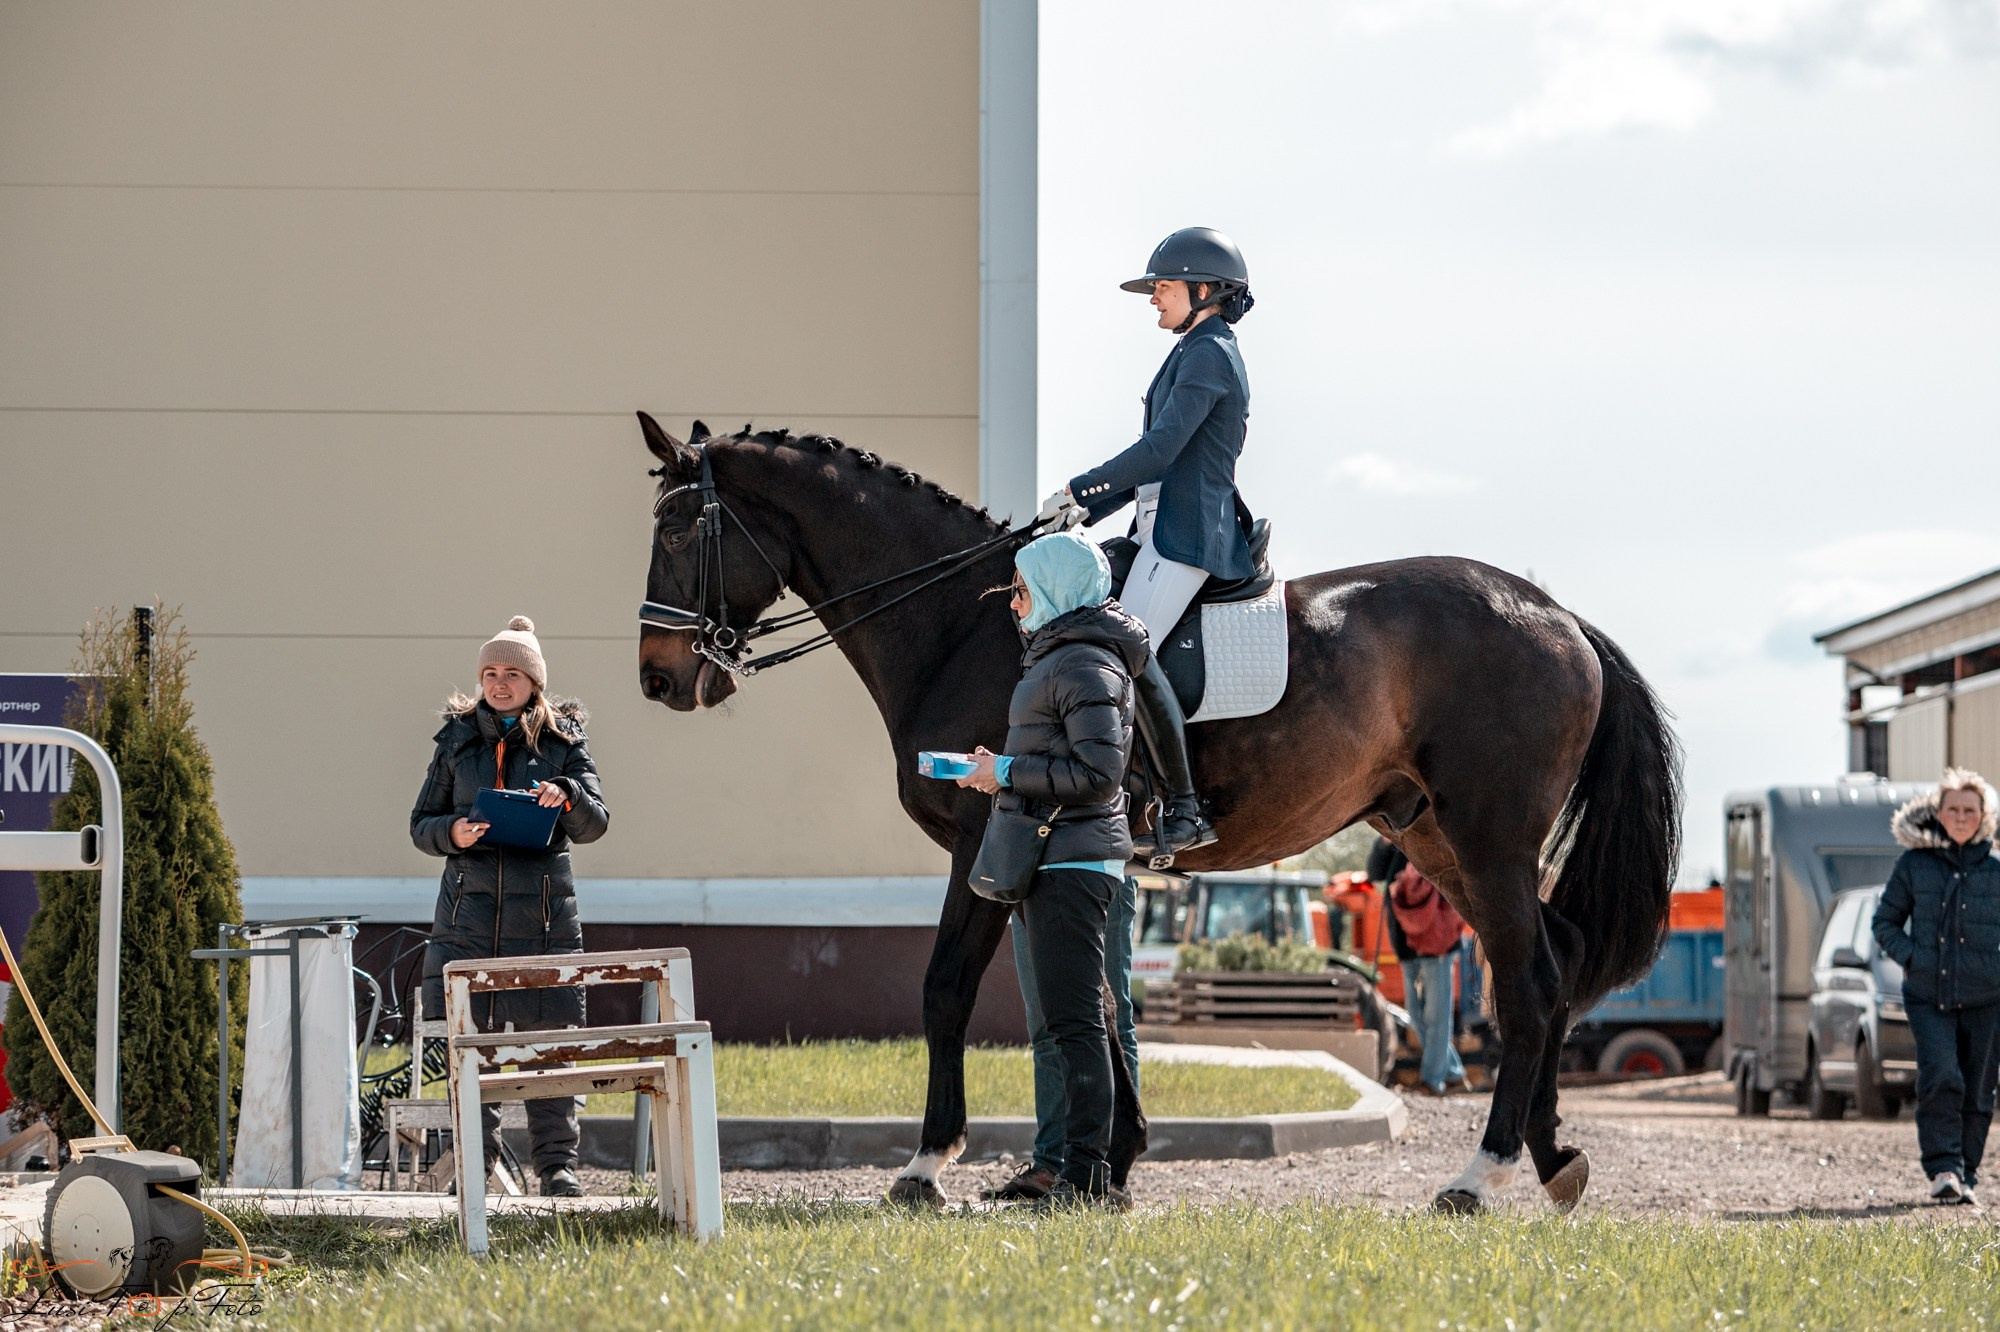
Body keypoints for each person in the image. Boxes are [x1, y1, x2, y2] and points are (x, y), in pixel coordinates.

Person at [1040, 227, 1256, 863]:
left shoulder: (1211, 353)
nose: (1153, 298)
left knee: (1128, 650)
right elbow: (1158, 468)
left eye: (1162, 287)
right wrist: (1083, 510)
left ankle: (1185, 808)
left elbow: (1161, 450)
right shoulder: (1193, 346)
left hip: (1189, 533)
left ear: (1204, 289)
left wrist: (1081, 487)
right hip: (1158, 522)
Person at [957, 532, 1150, 1210]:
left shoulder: (1084, 663)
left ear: (1059, 590)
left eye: (1021, 589)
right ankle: (1080, 1169)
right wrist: (995, 773)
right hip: (1055, 854)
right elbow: (1062, 759)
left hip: (1073, 859)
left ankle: (1089, 1177)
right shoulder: (1062, 658)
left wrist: (1006, 770)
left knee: (1076, 1025)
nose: (1013, 604)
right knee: (1071, 1023)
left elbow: (1099, 775)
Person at [411, 616, 610, 1198]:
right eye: (490, 673)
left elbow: (596, 822)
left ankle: (557, 1169)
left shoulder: (563, 741)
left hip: (544, 920)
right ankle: (475, 1164)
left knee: (552, 1044)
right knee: (472, 1041)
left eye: (512, 674)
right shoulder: (456, 741)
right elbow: (420, 824)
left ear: (533, 682)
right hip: (467, 919)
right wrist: (455, 831)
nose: (499, 684)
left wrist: (566, 795)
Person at [1872, 768, 2000, 1206]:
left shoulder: (1996, 869)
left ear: (1983, 816)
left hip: (1988, 998)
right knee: (1943, 1076)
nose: (1961, 816)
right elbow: (1885, 923)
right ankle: (1943, 1168)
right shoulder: (1914, 864)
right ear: (1938, 813)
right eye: (1953, 809)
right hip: (1929, 996)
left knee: (1979, 1087)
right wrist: (1915, 959)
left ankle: (1966, 1173)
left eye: (1969, 809)